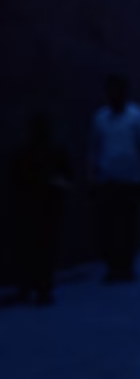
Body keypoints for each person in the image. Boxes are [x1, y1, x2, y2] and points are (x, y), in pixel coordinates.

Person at [88, 75, 140, 282]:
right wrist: (92, 176)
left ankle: (126, 266)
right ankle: (112, 265)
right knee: (107, 226)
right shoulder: (100, 118)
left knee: (127, 225)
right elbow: (94, 149)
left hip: (130, 180)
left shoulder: (137, 116)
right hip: (107, 179)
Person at [9, 113, 71, 304]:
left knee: (30, 247)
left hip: (32, 206)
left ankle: (29, 286)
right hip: (47, 205)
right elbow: (68, 178)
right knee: (45, 248)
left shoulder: (24, 153)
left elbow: (16, 180)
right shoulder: (55, 152)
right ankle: (42, 288)